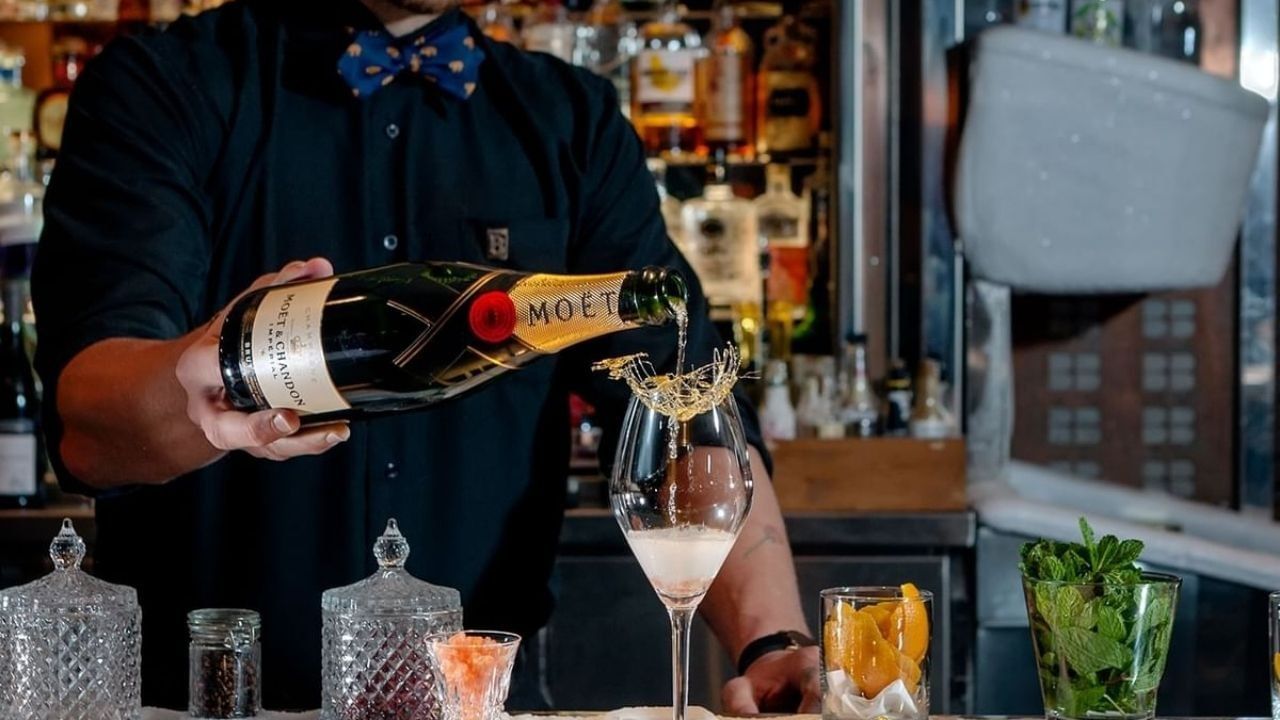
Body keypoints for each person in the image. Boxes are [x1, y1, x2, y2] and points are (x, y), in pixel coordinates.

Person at [31, 0, 820, 712]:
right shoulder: (164, 86)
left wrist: (770, 641)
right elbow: (89, 426)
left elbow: (684, 409)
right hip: (212, 702)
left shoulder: (569, 121)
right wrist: (207, 392)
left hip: (481, 704)